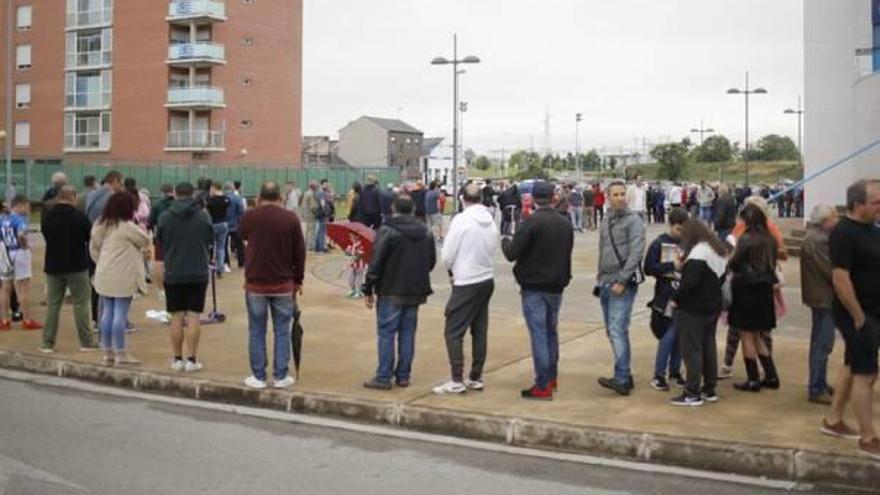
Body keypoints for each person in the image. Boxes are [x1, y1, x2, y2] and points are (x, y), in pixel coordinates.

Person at [821, 180, 880, 459]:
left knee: (852, 364)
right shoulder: (844, 233)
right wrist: (859, 317)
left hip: (872, 311)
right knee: (866, 373)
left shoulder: (871, 229)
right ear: (858, 205)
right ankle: (868, 438)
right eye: (876, 202)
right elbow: (840, 278)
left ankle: (833, 420)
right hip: (858, 314)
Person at [502, 182, 573, 400]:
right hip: (556, 285)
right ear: (553, 198)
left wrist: (506, 241)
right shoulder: (565, 223)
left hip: (534, 286)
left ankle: (542, 384)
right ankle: (551, 377)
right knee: (551, 332)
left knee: (539, 335)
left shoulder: (531, 222)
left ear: (533, 199)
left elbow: (513, 253)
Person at [361, 194, 436, 390]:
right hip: (415, 290)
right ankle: (403, 375)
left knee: (386, 333)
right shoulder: (426, 231)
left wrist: (368, 287)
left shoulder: (387, 230)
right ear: (412, 210)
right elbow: (430, 261)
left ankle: (384, 376)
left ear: (393, 209)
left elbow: (376, 262)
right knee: (408, 333)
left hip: (390, 289)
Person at [239, 182, 306, 389]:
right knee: (282, 330)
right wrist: (298, 280)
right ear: (280, 197)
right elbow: (300, 252)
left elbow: (241, 235)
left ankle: (258, 376)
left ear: (260, 197)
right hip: (283, 283)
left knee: (256, 329)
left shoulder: (250, 216)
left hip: (256, 283)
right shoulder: (290, 218)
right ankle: (280, 375)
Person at [433, 184, 497, 395]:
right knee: (480, 330)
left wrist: (452, 268)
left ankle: (457, 379)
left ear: (462, 199)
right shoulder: (490, 219)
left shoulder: (461, 220)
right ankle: (475, 376)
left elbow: (447, 255)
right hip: (486, 278)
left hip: (466, 280)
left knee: (453, 330)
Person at [668, 219, 728, 406]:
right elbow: (720, 279)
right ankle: (709, 389)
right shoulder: (717, 251)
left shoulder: (698, 253)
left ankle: (692, 392)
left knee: (692, 350)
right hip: (712, 307)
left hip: (693, 309)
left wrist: (676, 299)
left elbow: (689, 283)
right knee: (708, 347)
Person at [156, 182, 213, 373]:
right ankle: (192, 359)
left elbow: (160, 242)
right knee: (194, 316)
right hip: (197, 271)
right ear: (193, 194)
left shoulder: (165, 217)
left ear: (174, 193)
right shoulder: (203, 216)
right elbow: (209, 239)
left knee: (176, 316)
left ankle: (177, 358)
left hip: (173, 272)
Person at [597, 181, 646, 396]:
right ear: (607, 197)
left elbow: (636, 252)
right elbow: (603, 249)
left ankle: (622, 378)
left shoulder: (633, 221)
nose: (620, 198)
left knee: (617, 329)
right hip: (605, 281)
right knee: (613, 331)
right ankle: (624, 373)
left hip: (621, 284)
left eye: (622, 194)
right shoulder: (606, 219)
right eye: (615, 194)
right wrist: (599, 278)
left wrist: (623, 280)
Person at [90, 192, 150, 366]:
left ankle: (107, 351)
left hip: (104, 273)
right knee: (120, 314)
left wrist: (101, 262)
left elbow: (94, 248)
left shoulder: (100, 224)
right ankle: (121, 353)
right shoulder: (126, 226)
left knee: (107, 312)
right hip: (123, 276)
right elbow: (144, 241)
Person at [38, 186, 97, 352]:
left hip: (53, 265)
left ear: (59, 197)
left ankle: (47, 342)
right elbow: (89, 237)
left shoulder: (47, 217)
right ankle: (86, 341)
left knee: (53, 304)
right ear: (72, 197)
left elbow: (46, 236)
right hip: (76, 265)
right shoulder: (80, 217)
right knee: (81, 303)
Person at [728, 204, 780, 392]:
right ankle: (771, 375)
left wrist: (732, 255)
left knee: (746, 335)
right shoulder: (770, 239)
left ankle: (752, 379)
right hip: (764, 290)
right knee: (758, 335)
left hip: (746, 290)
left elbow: (734, 264)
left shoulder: (746, 239)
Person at [644, 208, 688, 391]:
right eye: (679, 229)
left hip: (684, 295)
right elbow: (648, 268)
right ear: (671, 225)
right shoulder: (658, 243)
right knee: (668, 335)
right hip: (665, 295)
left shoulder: (688, 243)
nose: (681, 233)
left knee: (679, 336)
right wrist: (671, 266)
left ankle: (675, 372)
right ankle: (659, 374)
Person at [801, 204, 839, 405]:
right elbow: (830, 270)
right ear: (825, 221)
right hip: (824, 297)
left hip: (819, 296)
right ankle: (817, 386)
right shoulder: (818, 240)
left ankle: (819, 383)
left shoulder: (814, 237)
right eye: (834, 217)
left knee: (819, 342)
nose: (837, 221)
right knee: (822, 344)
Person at [0, 195, 41, 330]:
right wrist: (25, 245)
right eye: (27, 206)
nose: (28, 209)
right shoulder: (19, 219)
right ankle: (27, 320)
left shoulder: (3, 219)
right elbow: (21, 234)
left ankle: (5, 320)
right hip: (19, 252)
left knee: (5, 288)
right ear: (20, 205)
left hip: (6, 252)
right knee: (23, 287)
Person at [148, 184, 175, 300]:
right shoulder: (176, 203)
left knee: (159, 263)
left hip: (160, 236)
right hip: (176, 237)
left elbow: (150, 222)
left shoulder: (157, 204)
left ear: (162, 192)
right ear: (172, 191)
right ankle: (173, 288)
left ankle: (161, 291)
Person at [205, 182, 231, 276]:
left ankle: (208, 267)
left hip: (213, 224)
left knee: (209, 246)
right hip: (224, 224)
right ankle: (220, 269)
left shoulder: (210, 200)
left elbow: (206, 209)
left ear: (214, 188)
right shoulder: (227, 199)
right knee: (221, 247)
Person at [224, 182, 246, 269]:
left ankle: (226, 263)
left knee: (224, 245)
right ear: (232, 188)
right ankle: (241, 262)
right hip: (236, 224)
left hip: (225, 224)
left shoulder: (223, 198)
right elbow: (241, 211)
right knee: (239, 244)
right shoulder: (237, 198)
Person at [344, 233, 367, 299]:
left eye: (352, 237)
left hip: (360, 266)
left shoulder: (361, 245)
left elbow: (359, 256)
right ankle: (353, 290)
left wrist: (353, 259)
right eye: (350, 237)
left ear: (357, 237)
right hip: (353, 266)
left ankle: (358, 292)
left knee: (358, 280)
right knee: (351, 279)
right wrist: (347, 252)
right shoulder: (352, 245)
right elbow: (348, 253)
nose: (350, 238)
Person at [301, 181, 318, 251]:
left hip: (305, 215)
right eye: (316, 186)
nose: (317, 187)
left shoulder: (306, 193)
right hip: (311, 216)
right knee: (311, 232)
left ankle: (305, 246)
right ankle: (310, 246)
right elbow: (313, 206)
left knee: (306, 232)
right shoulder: (311, 194)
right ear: (313, 187)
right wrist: (318, 213)